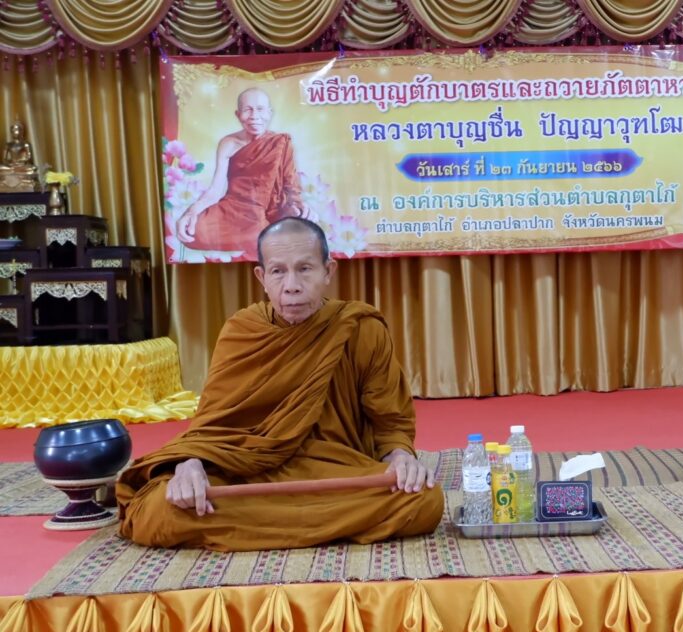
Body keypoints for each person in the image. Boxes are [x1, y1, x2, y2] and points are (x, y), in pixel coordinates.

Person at [117, 218, 442, 550]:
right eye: (278, 271)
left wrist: (400, 458)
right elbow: (210, 429)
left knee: (423, 500)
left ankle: (250, 525)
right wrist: (190, 465)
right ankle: (321, 524)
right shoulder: (242, 332)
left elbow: (390, 423)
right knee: (160, 508)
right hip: (251, 472)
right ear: (261, 277)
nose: (291, 286)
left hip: (336, 473)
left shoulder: (360, 328)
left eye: (305, 269)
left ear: (328, 271)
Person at [175, 88, 314, 259]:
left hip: (265, 210)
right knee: (194, 231)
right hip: (232, 208)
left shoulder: (280, 143)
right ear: (238, 114)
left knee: (291, 225)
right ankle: (268, 237)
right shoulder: (228, 143)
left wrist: (297, 205)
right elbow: (215, 191)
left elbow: (290, 183)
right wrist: (190, 213)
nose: (254, 116)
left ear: (269, 113)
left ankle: (269, 233)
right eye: (247, 110)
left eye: (260, 109)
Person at [0, 121, 39, 192]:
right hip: (11, 166)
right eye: (13, 130)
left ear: (21, 131)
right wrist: (10, 163)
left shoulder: (25, 144)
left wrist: (21, 161)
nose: (14, 132)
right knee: (1, 168)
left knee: (31, 168)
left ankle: (25, 181)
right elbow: (4, 159)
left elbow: (29, 157)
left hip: (22, 166)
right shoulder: (8, 144)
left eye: (17, 129)